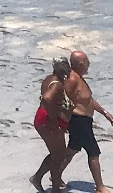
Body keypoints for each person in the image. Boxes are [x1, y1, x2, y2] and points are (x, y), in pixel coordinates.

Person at [63, 51, 113, 193]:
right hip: (78, 121)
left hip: (84, 121)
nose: (89, 65)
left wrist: (105, 113)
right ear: (81, 64)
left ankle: (51, 175)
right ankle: (100, 187)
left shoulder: (79, 78)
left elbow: (88, 100)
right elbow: (62, 98)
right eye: (87, 62)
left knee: (72, 150)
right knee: (93, 152)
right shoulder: (73, 79)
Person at [29, 57, 72, 192]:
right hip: (47, 120)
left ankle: (39, 178)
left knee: (57, 153)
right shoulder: (56, 84)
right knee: (59, 155)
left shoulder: (50, 78)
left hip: (43, 117)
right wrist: (54, 122)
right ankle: (53, 188)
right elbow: (47, 99)